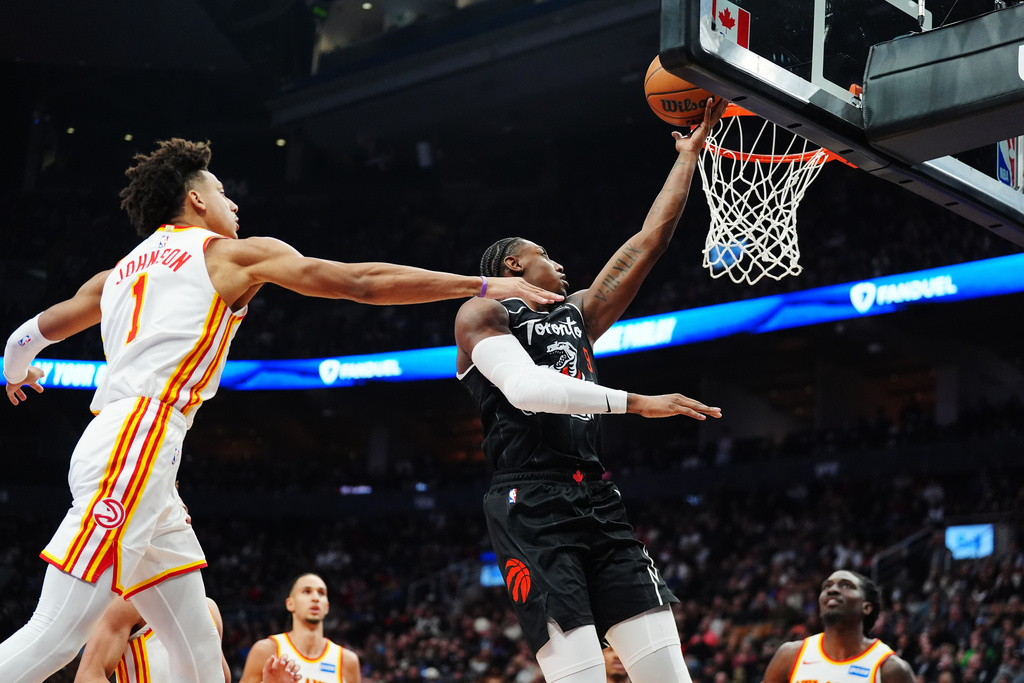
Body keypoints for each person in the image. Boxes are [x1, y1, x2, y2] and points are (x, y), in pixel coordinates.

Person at [0, 138, 561, 683]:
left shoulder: (114, 275)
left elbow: (27, 337)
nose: (234, 203)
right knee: (56, 632)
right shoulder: (229, 254)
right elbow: (361, 283)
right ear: (196, 199)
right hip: (137, 443)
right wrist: (483, 283)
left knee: (198, 656)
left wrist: (17, 370)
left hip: (135, 451)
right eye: (222, 191)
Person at [453, 97, 728, 683]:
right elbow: (526, 389)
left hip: (596, 494)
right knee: (580, 674)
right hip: (530, 504)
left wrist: (689, 155)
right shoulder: (481, 314)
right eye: (544, 256)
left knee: (666, 672)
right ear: (511, 265)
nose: (559, 263)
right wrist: (637, 402)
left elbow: (648, 240)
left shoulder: (577, 314)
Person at [74, 596, 300, 683]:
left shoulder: (209, 608)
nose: (185, 517)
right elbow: (87, 677)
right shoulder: (131, 600)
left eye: (185, 510)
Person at [762, 570, 916, 683]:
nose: (832, 590)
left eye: (846, 586)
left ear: (866, 607)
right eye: (826, 587)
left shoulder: (889, 668)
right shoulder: (790, 656)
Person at [239, 573, 360, 683]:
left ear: (327, 606)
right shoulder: (266, 651)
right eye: (307, 591)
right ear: (290, 604)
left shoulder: (348, 661)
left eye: (321, 593)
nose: (315, 598)